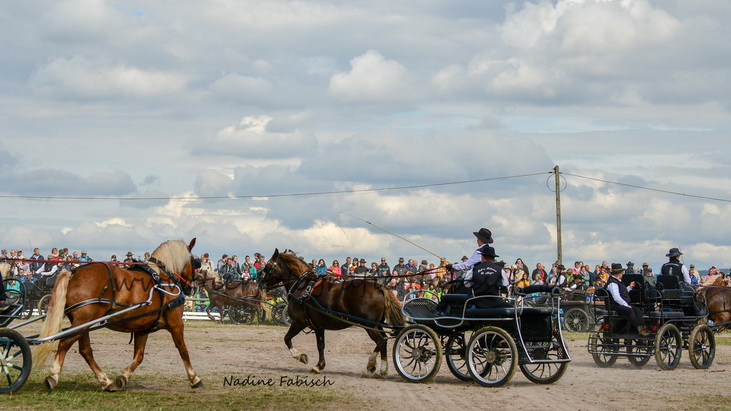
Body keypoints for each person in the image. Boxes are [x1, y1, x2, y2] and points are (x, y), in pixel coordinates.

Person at [441, 227, 494, 292]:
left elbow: (467, 265)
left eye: (478, 239)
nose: (477, 240)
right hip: (485, 279)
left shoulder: (480, 252)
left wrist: (452, 266)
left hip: (477, 278)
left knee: (457, 287)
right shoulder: (489, 251)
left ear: (480, 240)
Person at [605, 263, 650, 337]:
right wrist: (625, 305)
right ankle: (638, 328)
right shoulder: (612, 283)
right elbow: (616, 297)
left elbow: (622, 292)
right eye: (621, 273)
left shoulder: (617, 281)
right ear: (618, 273)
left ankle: (643, 327)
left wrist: (629, 287)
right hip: (613, 305)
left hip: (618, 304)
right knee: (629, 310)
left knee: (637, 310)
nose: (622, 274)